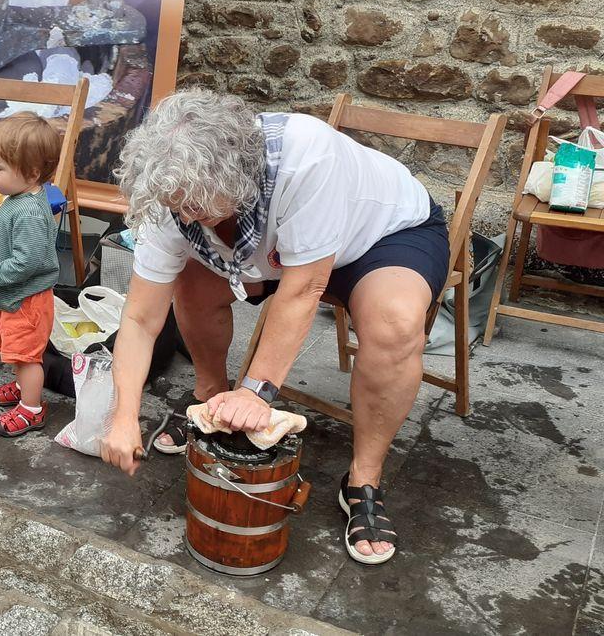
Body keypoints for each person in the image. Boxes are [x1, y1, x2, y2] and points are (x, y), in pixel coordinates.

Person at [101, 89, 451, 566]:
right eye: (176, 206)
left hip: (379, 236)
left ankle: (362, 480)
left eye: (195, 206)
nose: (183, 216)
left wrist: (257, 391)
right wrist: (123, 415)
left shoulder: (306, 157)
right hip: (273, 249)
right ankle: (208, 401)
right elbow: (141, 318)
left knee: (396, 326)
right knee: (190, 284)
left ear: (236, 178)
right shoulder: (174, 194)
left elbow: (304, 288)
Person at [0, 113, 61, 437]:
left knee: (27, 357)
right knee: (15, 350)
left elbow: (30, 261)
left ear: (32, 173)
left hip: (27, 303)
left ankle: (32, 409)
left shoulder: (27, 212)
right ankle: (25, 388)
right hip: (15, 299)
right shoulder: (20, 199)